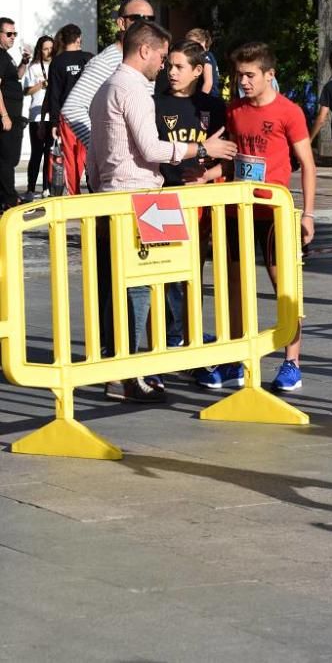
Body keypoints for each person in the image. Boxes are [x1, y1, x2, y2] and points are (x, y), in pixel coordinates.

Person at [88, 21, 237, 402]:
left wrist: (98, 184)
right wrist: (203, 151)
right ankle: (131, 372)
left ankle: (120, 366)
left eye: (174, 63)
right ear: (144, 51)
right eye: (160, 57)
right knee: (139, 286)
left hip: (114, 196)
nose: (163, 67)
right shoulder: (134, 90)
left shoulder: (107, 88)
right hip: (140, 198)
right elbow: (153, 150)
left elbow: (93, 153)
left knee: (122, 286)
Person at [188, 41, 316, 392]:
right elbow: (231, 159)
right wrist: (205, 176)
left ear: (268, 75)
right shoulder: (234, 111)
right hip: (237, 210)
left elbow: (307, 164)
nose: (242, 81)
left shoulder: (289, 111)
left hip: (274, 211)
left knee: (284, 286)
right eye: (238, 75)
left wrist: (308, 214)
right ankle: (236, 357)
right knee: (233, 286)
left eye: (249, 75)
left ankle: (292, 362)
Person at [154, 39, 226, 349]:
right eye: (170, 65)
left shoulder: (212, 107)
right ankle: (171, 335)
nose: (172, 72)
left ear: (198, 71)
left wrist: (209, 173)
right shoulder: (155, 103)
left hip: (200, 203)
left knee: (194, 271)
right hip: (165, 199)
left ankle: (190, 330)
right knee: (169, 271)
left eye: (179, 67)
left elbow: (228, 152)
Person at [60, 0, 156, 195]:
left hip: (147, 170)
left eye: (150, 19)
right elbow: (72, 108)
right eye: (138, 19)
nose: (145, 25)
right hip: (115, 176)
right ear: (121, 23)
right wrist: (102, 145)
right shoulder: (105, 62)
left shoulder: (149, 59)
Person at [46, 24, 92, 182]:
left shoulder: (57, 62)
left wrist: (54, 122)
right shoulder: (89, 58)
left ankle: (75, 195)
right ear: (79, 38)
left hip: (68, 117)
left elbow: (54, 94)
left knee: (71, 159)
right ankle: (95, 191)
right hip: (89, 115)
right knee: (92, 154)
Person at [0, 17, 30, 212]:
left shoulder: (6, 56)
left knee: (9, 159)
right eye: (8, 34)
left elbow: (16, 77)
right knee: (6, 160)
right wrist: (4, 115)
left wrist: (24, 62)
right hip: (6, 117)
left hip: (13, 116)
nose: (12, 37)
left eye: (14, 34)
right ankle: (10, 199)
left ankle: (7, 197)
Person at [22, 35, 53, 200]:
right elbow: (25, 91)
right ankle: (30, 189)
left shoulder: (56, 65)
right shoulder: (33, 67)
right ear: (40, 50)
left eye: (50, 48)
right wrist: (41, 84)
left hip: (52, 116)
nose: (48, 51)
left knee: (50, 153)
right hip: (37, 116)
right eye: (45, 48)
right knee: (36, 154)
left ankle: (46, 188)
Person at [184, 28, 220, 98]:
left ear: (202, 43)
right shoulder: (208, 55)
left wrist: (201, 99)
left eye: (193, 44)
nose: (190, 47)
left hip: (209, 97)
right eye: (188, 44)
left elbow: (208, 83)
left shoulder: (204, 56)